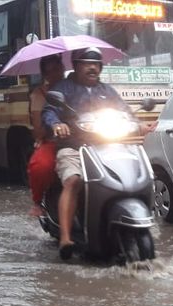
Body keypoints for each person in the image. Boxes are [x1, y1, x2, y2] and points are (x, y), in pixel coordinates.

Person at [42, 47, 151, 260]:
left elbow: (125, 113)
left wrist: (139, 124)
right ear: (76, 66)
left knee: (133, 175)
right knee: (73, 180)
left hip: (108, 147)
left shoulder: (108, 91)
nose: (92, 67)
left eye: (96, 64)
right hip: (74, 146)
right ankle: (66, 237)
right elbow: (49, 111)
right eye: (86, 63)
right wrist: (56, 123)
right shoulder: (64, 88)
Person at [26, 55, 66, 217]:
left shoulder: (74, 86)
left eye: (59, 69)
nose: (57, 74)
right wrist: (54, 126)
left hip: (83, 139)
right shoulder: (39, 95)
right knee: (40, 166)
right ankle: (37, 202)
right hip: (54, 141)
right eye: (51, 71)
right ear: (45, 75)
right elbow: (38, 129)